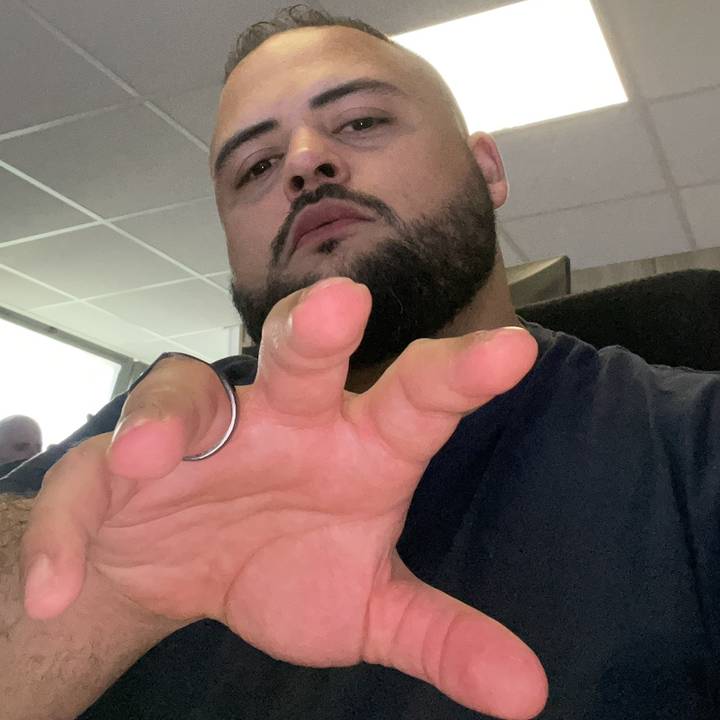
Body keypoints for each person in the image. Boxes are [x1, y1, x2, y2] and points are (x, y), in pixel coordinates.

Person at [1, 6, 719, 720]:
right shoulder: (154, 446)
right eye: (255, 167)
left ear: (486, 169)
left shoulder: (692, 442)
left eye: (361, 121)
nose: (303, 162)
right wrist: (107, 591)